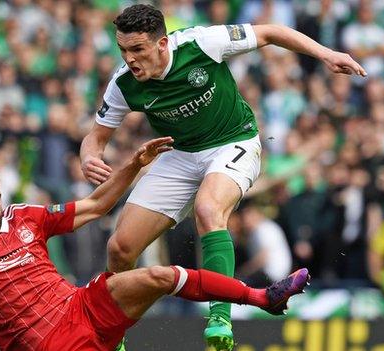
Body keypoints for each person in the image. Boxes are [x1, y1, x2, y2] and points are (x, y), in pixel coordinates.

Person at [80, 5, 365, 349]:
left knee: (208, 210)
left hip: (233, 141)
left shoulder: (202, 43)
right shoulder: (123, 83)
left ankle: (220, 317)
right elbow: (95, 138)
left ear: (162, 44)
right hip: (179, 154)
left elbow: (271, 31)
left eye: (138, 49)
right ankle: (114, 333)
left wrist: (326, 54)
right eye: (123, 50)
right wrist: (89, 157)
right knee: (120, 247)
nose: (131, 59)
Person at [0, 137, 310, 351]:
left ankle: (263, 297)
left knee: (161, 274)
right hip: (47, 345)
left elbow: (96, 204)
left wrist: (134, 165)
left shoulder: (25, 217)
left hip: (82, 306)